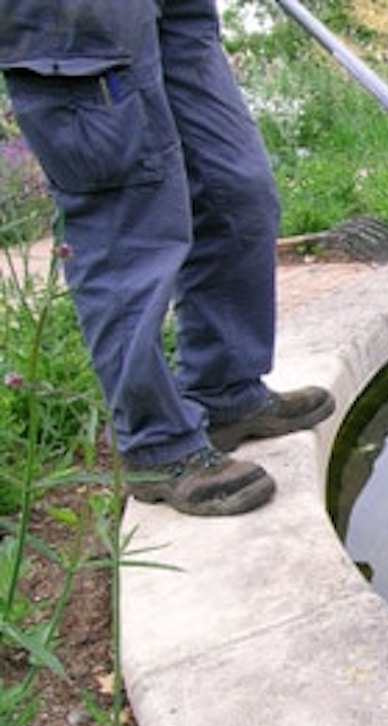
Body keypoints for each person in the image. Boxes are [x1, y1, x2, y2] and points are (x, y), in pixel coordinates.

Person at [1, 0, 334, 516]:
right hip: (76, 20)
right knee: (125, 223)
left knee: (236, 189)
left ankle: (225, 387)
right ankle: (158, 444)